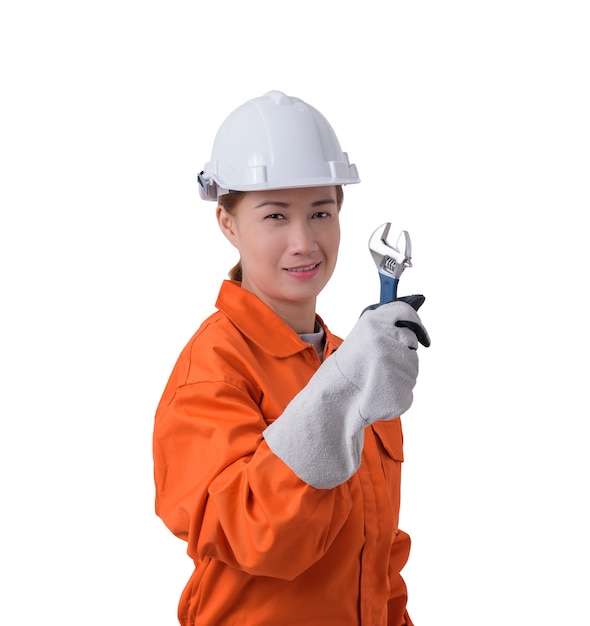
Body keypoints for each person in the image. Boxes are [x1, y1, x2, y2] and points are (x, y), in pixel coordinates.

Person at [153, 90, 430, 626]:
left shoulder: (353, 362)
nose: (304, 241)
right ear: (228, 224)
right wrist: (344, 389)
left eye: (320, 212)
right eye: (275, 215)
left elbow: (378, 554)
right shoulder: (213, 370)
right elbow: (262, 538)